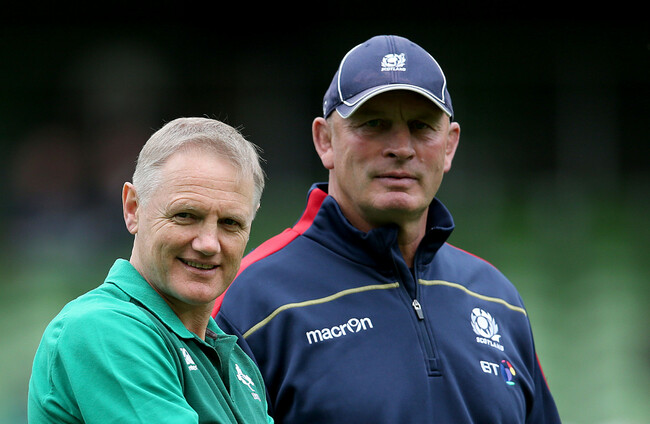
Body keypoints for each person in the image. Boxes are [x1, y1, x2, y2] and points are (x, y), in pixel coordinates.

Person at [213, 35, 561, 423]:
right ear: (325, 140)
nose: (401, 148)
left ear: (449, 146)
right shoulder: (252, 298)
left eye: (421, 126)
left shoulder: (497, 298)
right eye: (374, 124)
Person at [28, 117, 274, 423]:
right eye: (185, 215)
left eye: (230, 223)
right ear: (133, 208)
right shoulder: (102, 327)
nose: (209, 244)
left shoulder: (235, 358)